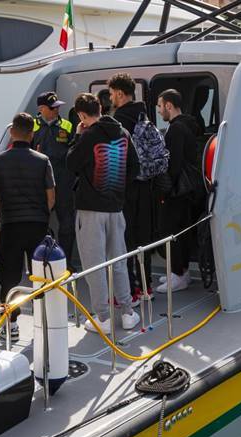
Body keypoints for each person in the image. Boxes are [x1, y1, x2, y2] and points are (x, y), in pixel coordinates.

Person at [66, 93, 141, 334]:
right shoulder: (123, 133)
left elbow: (71, 164)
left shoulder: (87, 136)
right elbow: (135, 168)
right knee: (118, 260)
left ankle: (104, 318)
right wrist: (117, 188)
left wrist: (77, 136)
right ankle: (128, 313)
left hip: (90, 209)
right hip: (116, 208)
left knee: (94, 264)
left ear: (81, 115)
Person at [0, 113, 56, 341]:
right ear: (31, 134)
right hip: (37, 225)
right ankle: (44, 322)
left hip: (9, 225)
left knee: (9, 277)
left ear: (12, 132)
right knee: (40, 275)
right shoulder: (42, 160)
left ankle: (11, 323)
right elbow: (51, 197)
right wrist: (41, 214)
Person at [108, 72, 156, 304]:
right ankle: (147, 288)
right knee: (143, 238)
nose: (110, 98)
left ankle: (131, 290)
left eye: (111, 94)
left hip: (126, 186)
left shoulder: (120, 118)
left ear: (119, 93)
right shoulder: (143, 114)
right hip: (146, 185)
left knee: (124, 239)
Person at [155, 89, 204, 293]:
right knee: (182, 231)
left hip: (178, 192)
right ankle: (180, 272)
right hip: (190, 191)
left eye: (159, 106)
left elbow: (173, 165)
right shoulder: (191, 125)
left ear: (168, 105)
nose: (158, 111)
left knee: (171, 232)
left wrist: (165, 192)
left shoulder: (175, 130)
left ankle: (178, 274)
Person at [32, 92, 76, 262]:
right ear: (41, 109)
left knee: (67, 225)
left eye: (58, 106)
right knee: (39, 225)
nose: (57, 109)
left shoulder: (68, 126)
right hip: (41, 185)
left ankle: (65, 262)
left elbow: (75, 150)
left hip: (64, 182)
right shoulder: (32, 127)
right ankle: (40, 260)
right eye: (53, 107)